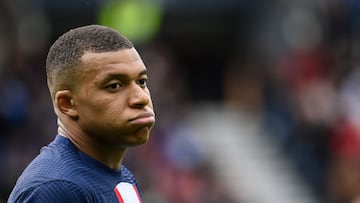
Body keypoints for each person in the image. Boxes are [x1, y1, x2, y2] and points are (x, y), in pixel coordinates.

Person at [7, 24, 155, 203]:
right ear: (67, 103)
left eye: (141, 81)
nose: (140, 98)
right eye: (114, 85)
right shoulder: (56, 189)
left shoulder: (123, 177)